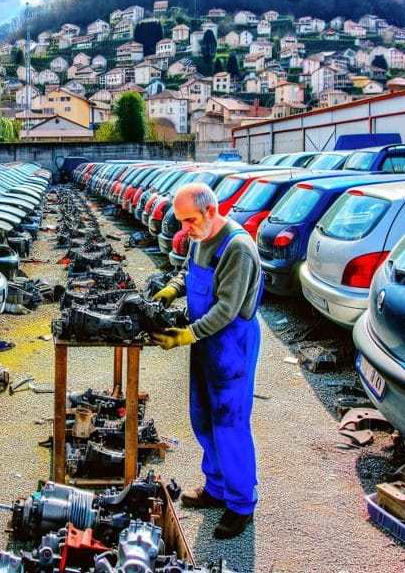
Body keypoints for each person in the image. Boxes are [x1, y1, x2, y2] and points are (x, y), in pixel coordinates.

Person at [150, 182, 263, 540]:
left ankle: (241, 504)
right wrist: (171, 289)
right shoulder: (199, 236)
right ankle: (216, 487)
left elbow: (228, 310)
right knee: (202, 417)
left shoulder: (238, 248)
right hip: (205, 341)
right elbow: (187, 272)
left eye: (190, 220)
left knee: (229, 424)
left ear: (211, 210)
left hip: (231, 345)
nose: (185, 228)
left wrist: (186, 335)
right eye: (181, 221)